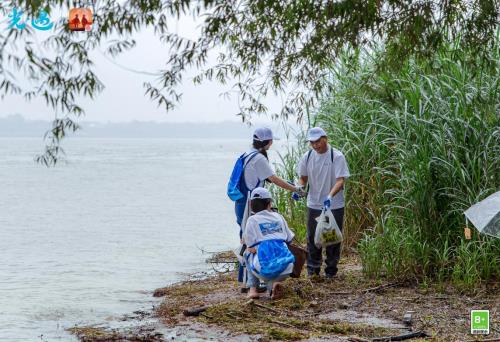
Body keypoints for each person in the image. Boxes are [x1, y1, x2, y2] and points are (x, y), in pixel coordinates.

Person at [234, 127, 304, 291]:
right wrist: (295, 189)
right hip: (251, 202)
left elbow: (267, 178)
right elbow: (273, 178)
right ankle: (251, 284)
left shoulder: (247, 154)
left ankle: (249, 281)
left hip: (242, 200)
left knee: (245, 236)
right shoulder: (259, 158)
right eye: (271, 141)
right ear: (267, 142)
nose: (272, 144)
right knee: (248, 242)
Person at [296, 127, 350, 278]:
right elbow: (303, 178)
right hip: (313, 204)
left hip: (334, 205)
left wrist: (330, 196)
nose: (315, 145)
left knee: (332, 238)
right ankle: (313, 271)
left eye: (318, 141)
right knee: (313, 239)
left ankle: (331, 271)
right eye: (312, 142)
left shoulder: (336, 156)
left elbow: (341, 180)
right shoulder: (307, 157)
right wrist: (299, 188)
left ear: (325, 138)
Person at [243, 187, 295, 299]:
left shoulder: (252, 220)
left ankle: (253, 289)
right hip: (287, 266)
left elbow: (250, 247)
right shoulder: (278, 216)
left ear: (251, 204)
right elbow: (290, 239)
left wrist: (259, 248)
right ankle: (274, 286)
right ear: (269, 203)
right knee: (271, 261)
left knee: (247, 254)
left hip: (265, 269)